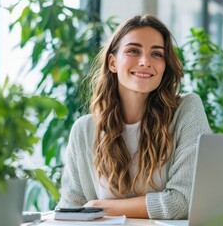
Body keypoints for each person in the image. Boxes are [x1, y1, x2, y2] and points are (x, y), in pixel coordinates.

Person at [57, 14, 211, 219]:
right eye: (133, 51)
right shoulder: (84, 130)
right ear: (112, 63)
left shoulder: (186, 110)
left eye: (157, 54)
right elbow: (71, 211)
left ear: (165, 66)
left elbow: (183, 202)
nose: (145, 61)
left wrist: (98, 207)